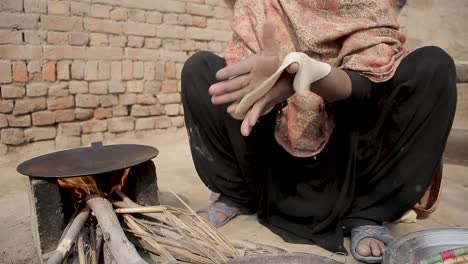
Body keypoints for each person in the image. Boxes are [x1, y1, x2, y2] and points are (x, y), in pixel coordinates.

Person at [181, 0, 457, 263]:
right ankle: (238, 194)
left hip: (351, 146)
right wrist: (266, 87)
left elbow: (366, 89)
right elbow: (246, 82)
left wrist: (309, 74)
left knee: (433, 66)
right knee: (199, 68)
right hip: (273, 155)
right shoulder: (260, 5)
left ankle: (368, 212)